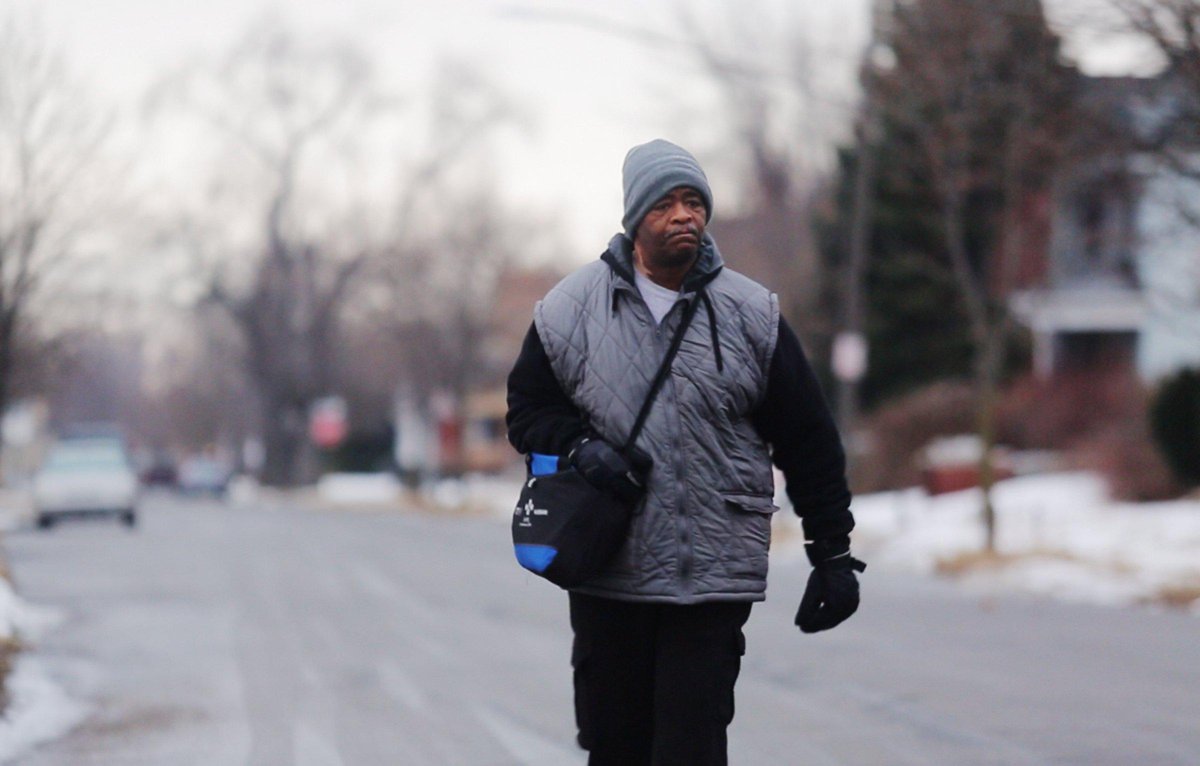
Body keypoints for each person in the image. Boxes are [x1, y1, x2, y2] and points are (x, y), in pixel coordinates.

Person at [506, 138, 865, 766]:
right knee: (615, 748)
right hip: (608, 570)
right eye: (665, 204)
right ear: (634, 220)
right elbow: (527, 412)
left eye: (694, 202)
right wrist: (582, 448)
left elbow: (808, 439)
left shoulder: (752, 314)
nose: (683, 216)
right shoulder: (569, 310)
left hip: (709, 579)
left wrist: (831, 552)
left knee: (691, 751)